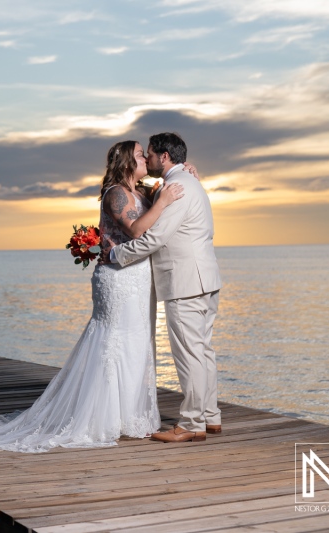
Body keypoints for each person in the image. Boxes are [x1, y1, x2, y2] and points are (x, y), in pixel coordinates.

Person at [0, 140, 185, 453]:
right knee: (111, 342)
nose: (145, 158)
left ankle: (130, 416)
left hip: (138, 279)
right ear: (127, 161)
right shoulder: (115, 193)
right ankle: (101, 418)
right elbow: (138, 230)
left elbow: (164, 193)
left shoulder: (142, 192)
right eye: (140, 154)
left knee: (136, 342)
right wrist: (163, 201)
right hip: (116, 280)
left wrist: (181, 176)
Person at [104, 132, 222, 443]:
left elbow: (155, 238)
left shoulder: (178, 187)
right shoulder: (189, 182)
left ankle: (192, 424)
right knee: (202, 351)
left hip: (185, 281)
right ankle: (210, 416)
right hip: (204, 278)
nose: (148, 159)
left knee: (190, 354)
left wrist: (117, 254)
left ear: (164, 157)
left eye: (150, 154)